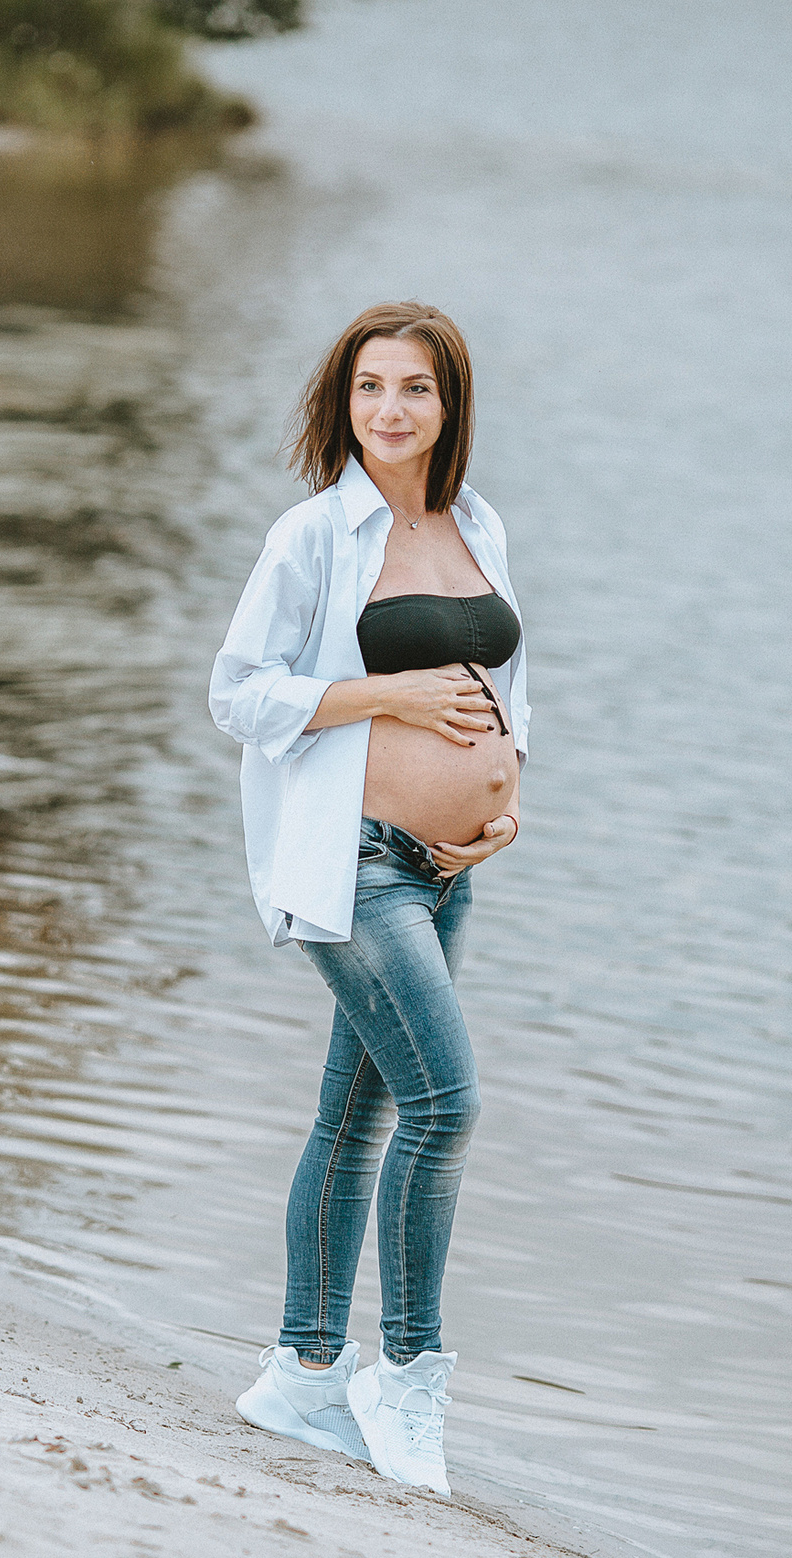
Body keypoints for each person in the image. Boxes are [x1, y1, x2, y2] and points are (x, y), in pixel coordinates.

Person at [208, 302, 529, 1498]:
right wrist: (384, 697)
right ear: (340, 403)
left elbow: (508, 687)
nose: (389, 411)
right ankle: (404, 1376)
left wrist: (506, 804)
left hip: (446, 873)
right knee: (445, 1106)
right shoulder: (313, 535)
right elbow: (237, 693)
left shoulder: (478, 522)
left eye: (414, 390)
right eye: (369, 389)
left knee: (355, 1120)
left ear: (451, 406)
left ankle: (299, 1375)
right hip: (350, 861)